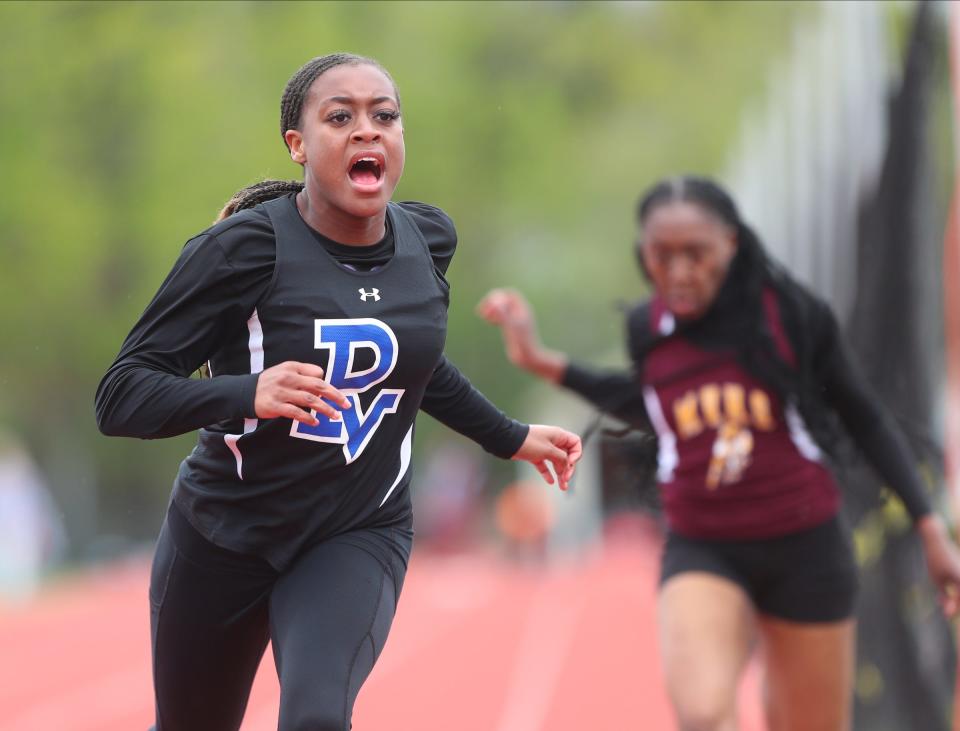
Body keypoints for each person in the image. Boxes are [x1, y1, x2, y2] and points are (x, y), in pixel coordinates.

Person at [95, 53, 582, 731]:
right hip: (224, 531)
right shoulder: (240, 251)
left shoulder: (427, 241)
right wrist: (248, 391)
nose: (367, 131)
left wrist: (510, 435)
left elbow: (411, 363)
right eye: (340, 117)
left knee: (317, 718)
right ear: (296, 144)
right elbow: (120, 396)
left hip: (355, 528)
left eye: (384, 116)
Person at [477, 175, 960, 731]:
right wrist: (542, 361)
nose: (679, 271)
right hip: (704, 545)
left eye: (696, 254)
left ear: (731, 244)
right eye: (662, 256)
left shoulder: (790, 316)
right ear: (644, 254)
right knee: (703, 712)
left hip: (804, 546)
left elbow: (865, 416)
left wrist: (929, 526)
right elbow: (654, 401)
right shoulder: (648, 328)